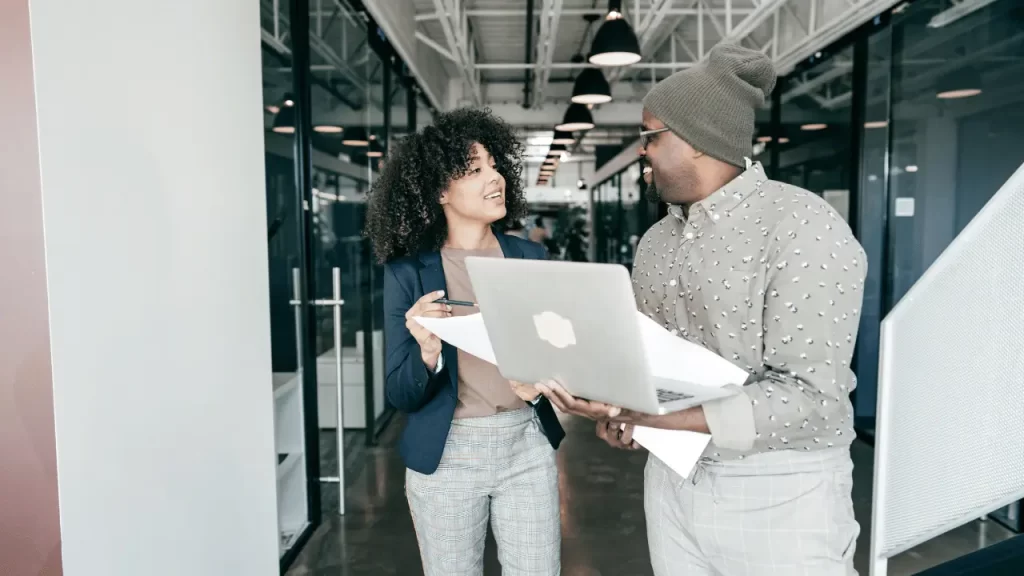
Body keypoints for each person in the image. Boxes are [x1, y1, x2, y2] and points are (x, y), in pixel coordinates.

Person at [537, 43, 866, 575]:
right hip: (671, 483)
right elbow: (650, 365)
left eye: (651, 136)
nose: (642, 151)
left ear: (696, 139)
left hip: (779, 492)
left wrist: (656, 416)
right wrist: (621, 408)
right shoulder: (656, 242)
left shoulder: (801, 224)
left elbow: (810, 397)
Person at [366, 107, 565, 576]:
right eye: (475, 170)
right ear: (441, 191)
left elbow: (562, 355)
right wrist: (428, 352)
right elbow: (400, 392)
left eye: (494, 165)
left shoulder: (530, 258)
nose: (494, 177)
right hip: (448, 455)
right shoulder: (408, 274)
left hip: (527, 447)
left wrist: (544, 381)